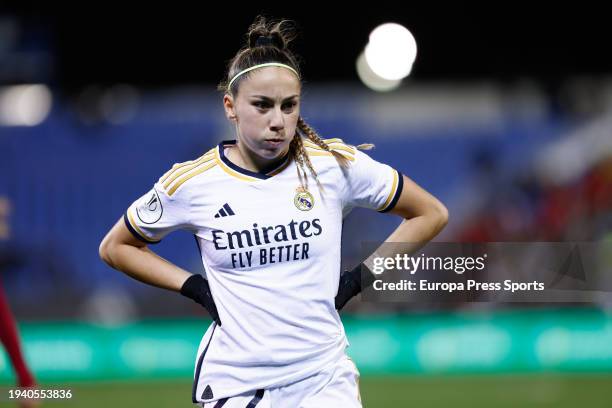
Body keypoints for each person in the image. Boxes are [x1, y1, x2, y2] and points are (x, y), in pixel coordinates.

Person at [99, 16, 448, 407]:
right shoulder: (192, 183)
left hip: (324, 377)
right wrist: (195, 288)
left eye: (289, 105)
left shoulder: (331, 165)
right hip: (237, 383)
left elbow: (429, 213)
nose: (278, 121)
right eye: (262, 105)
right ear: (230, 107)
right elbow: (116, 247)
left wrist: (358, 280)